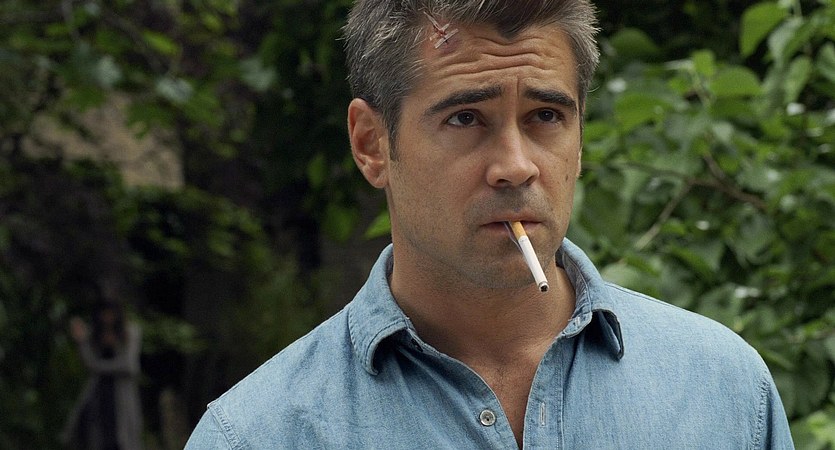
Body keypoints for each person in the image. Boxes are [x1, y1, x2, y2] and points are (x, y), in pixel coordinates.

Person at [186, 1, 794, 448]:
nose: (515, 166)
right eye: (466, 118)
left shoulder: (722, 390)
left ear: (581, 137)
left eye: (546, 115)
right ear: (372, 144)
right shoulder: (259, 434)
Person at [62, 302, 144, 450]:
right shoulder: (94, 335)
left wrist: (98, 367)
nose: (107, 318)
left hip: (122, 397)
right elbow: (88, 363)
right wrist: (81, 342)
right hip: (100, 396)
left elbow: (129, 365)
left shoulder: (129, 332)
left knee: (125, 439)